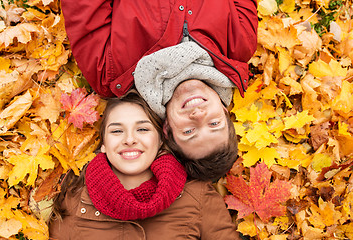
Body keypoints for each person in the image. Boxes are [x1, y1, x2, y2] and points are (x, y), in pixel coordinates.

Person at [60, 0, 258, 180]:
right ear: (224, 110)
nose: (198, 115)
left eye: (189, 131)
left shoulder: (109, 73)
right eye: (214, 123)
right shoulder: (240, 44)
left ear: (167, 129)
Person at [49, 91, 241, 239]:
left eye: (142, 129)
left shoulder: (197, 195)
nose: (130, 139)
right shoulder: (75, 202)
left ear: (160, 140)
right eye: (117, 131)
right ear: (104, 145)